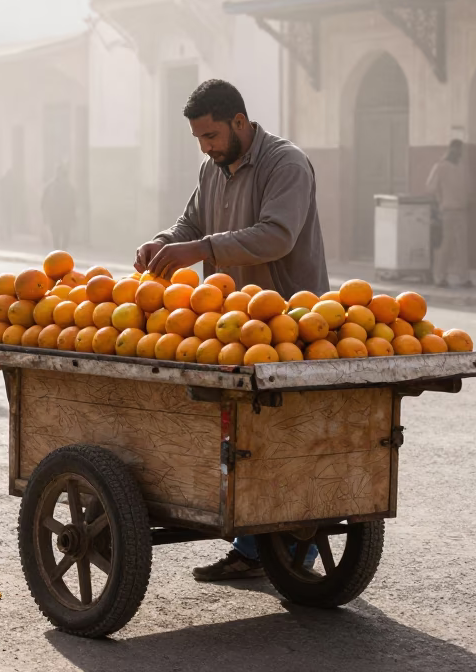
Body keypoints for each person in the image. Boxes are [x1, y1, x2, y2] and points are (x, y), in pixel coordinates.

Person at [133, 79, 329, 582]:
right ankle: (253, 547)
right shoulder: (212, 169)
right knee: (245, 438)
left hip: (291, 326)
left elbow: (278, 236)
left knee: (287, 440)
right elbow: (190, 224)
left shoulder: (286, 164)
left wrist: (199, 251)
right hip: (231, 330)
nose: (206, 147)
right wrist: (163, 242)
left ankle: (293, 546)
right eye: (199, 138)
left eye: (212, 135)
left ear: (240, 122)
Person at [426, 139, 473, 289]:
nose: (458, 153)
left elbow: (467, 187)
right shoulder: (440, 167)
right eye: (456, 150)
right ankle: (440, 277)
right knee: (445, 246)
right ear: (451, 149)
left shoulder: (462, 167)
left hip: (461, 209)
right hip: (447, 210)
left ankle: (463, 278)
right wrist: (439, 201)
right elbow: (431, 187)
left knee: (462, 246)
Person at [41, 163, 77, 251]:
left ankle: (63, 250)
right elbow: (43, 202)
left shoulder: (69, 187)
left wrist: (73, 215)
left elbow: (73, 202)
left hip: (66, 215)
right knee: (56, 234)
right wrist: (45, 215)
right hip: (54, 215)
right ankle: (57, 251)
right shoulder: (50, 187)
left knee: (66, 234)